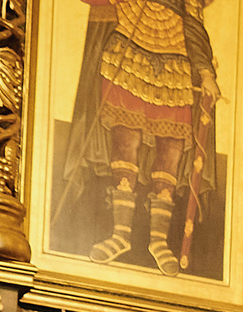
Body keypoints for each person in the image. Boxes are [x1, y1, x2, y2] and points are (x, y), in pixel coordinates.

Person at [57, 0, 221, 274]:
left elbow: (193, 21)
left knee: (171, 151)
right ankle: (120, 235)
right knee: (125, 143)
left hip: (175, 61)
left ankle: (158, 241)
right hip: (129, 46)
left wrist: (205, 72)